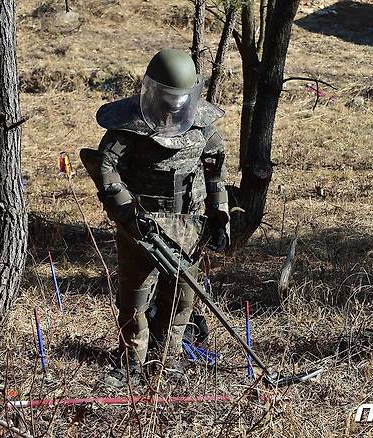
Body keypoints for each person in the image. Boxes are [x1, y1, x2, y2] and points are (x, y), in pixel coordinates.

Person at [92, 48, 230, 387]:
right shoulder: (127, 128)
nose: (175, 104)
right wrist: (127, 213)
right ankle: (132, 363)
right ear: (153, 90)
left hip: (188, 226)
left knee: (182, 295)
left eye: (182, 97)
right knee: (135, 297)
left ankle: (168, 360)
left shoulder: (203, 129)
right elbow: (106, 171)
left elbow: (215, 174)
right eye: (168, 96)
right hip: (140, 226)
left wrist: (220, 214)